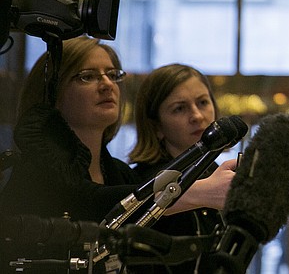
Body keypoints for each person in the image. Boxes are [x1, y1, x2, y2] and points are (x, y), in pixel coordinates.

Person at [0, 37, 235, 267]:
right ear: (53, 94)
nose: (107, 85)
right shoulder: (37, 167)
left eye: (112, 75)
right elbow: (88, 202)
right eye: (87, 77)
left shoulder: (120, 172)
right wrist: (194, 192)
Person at [128, 63, 225, 274]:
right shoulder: (141, 184)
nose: (197, 116)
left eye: (202, 102)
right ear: (156, 127)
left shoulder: (220, 172)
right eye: (180, 108)